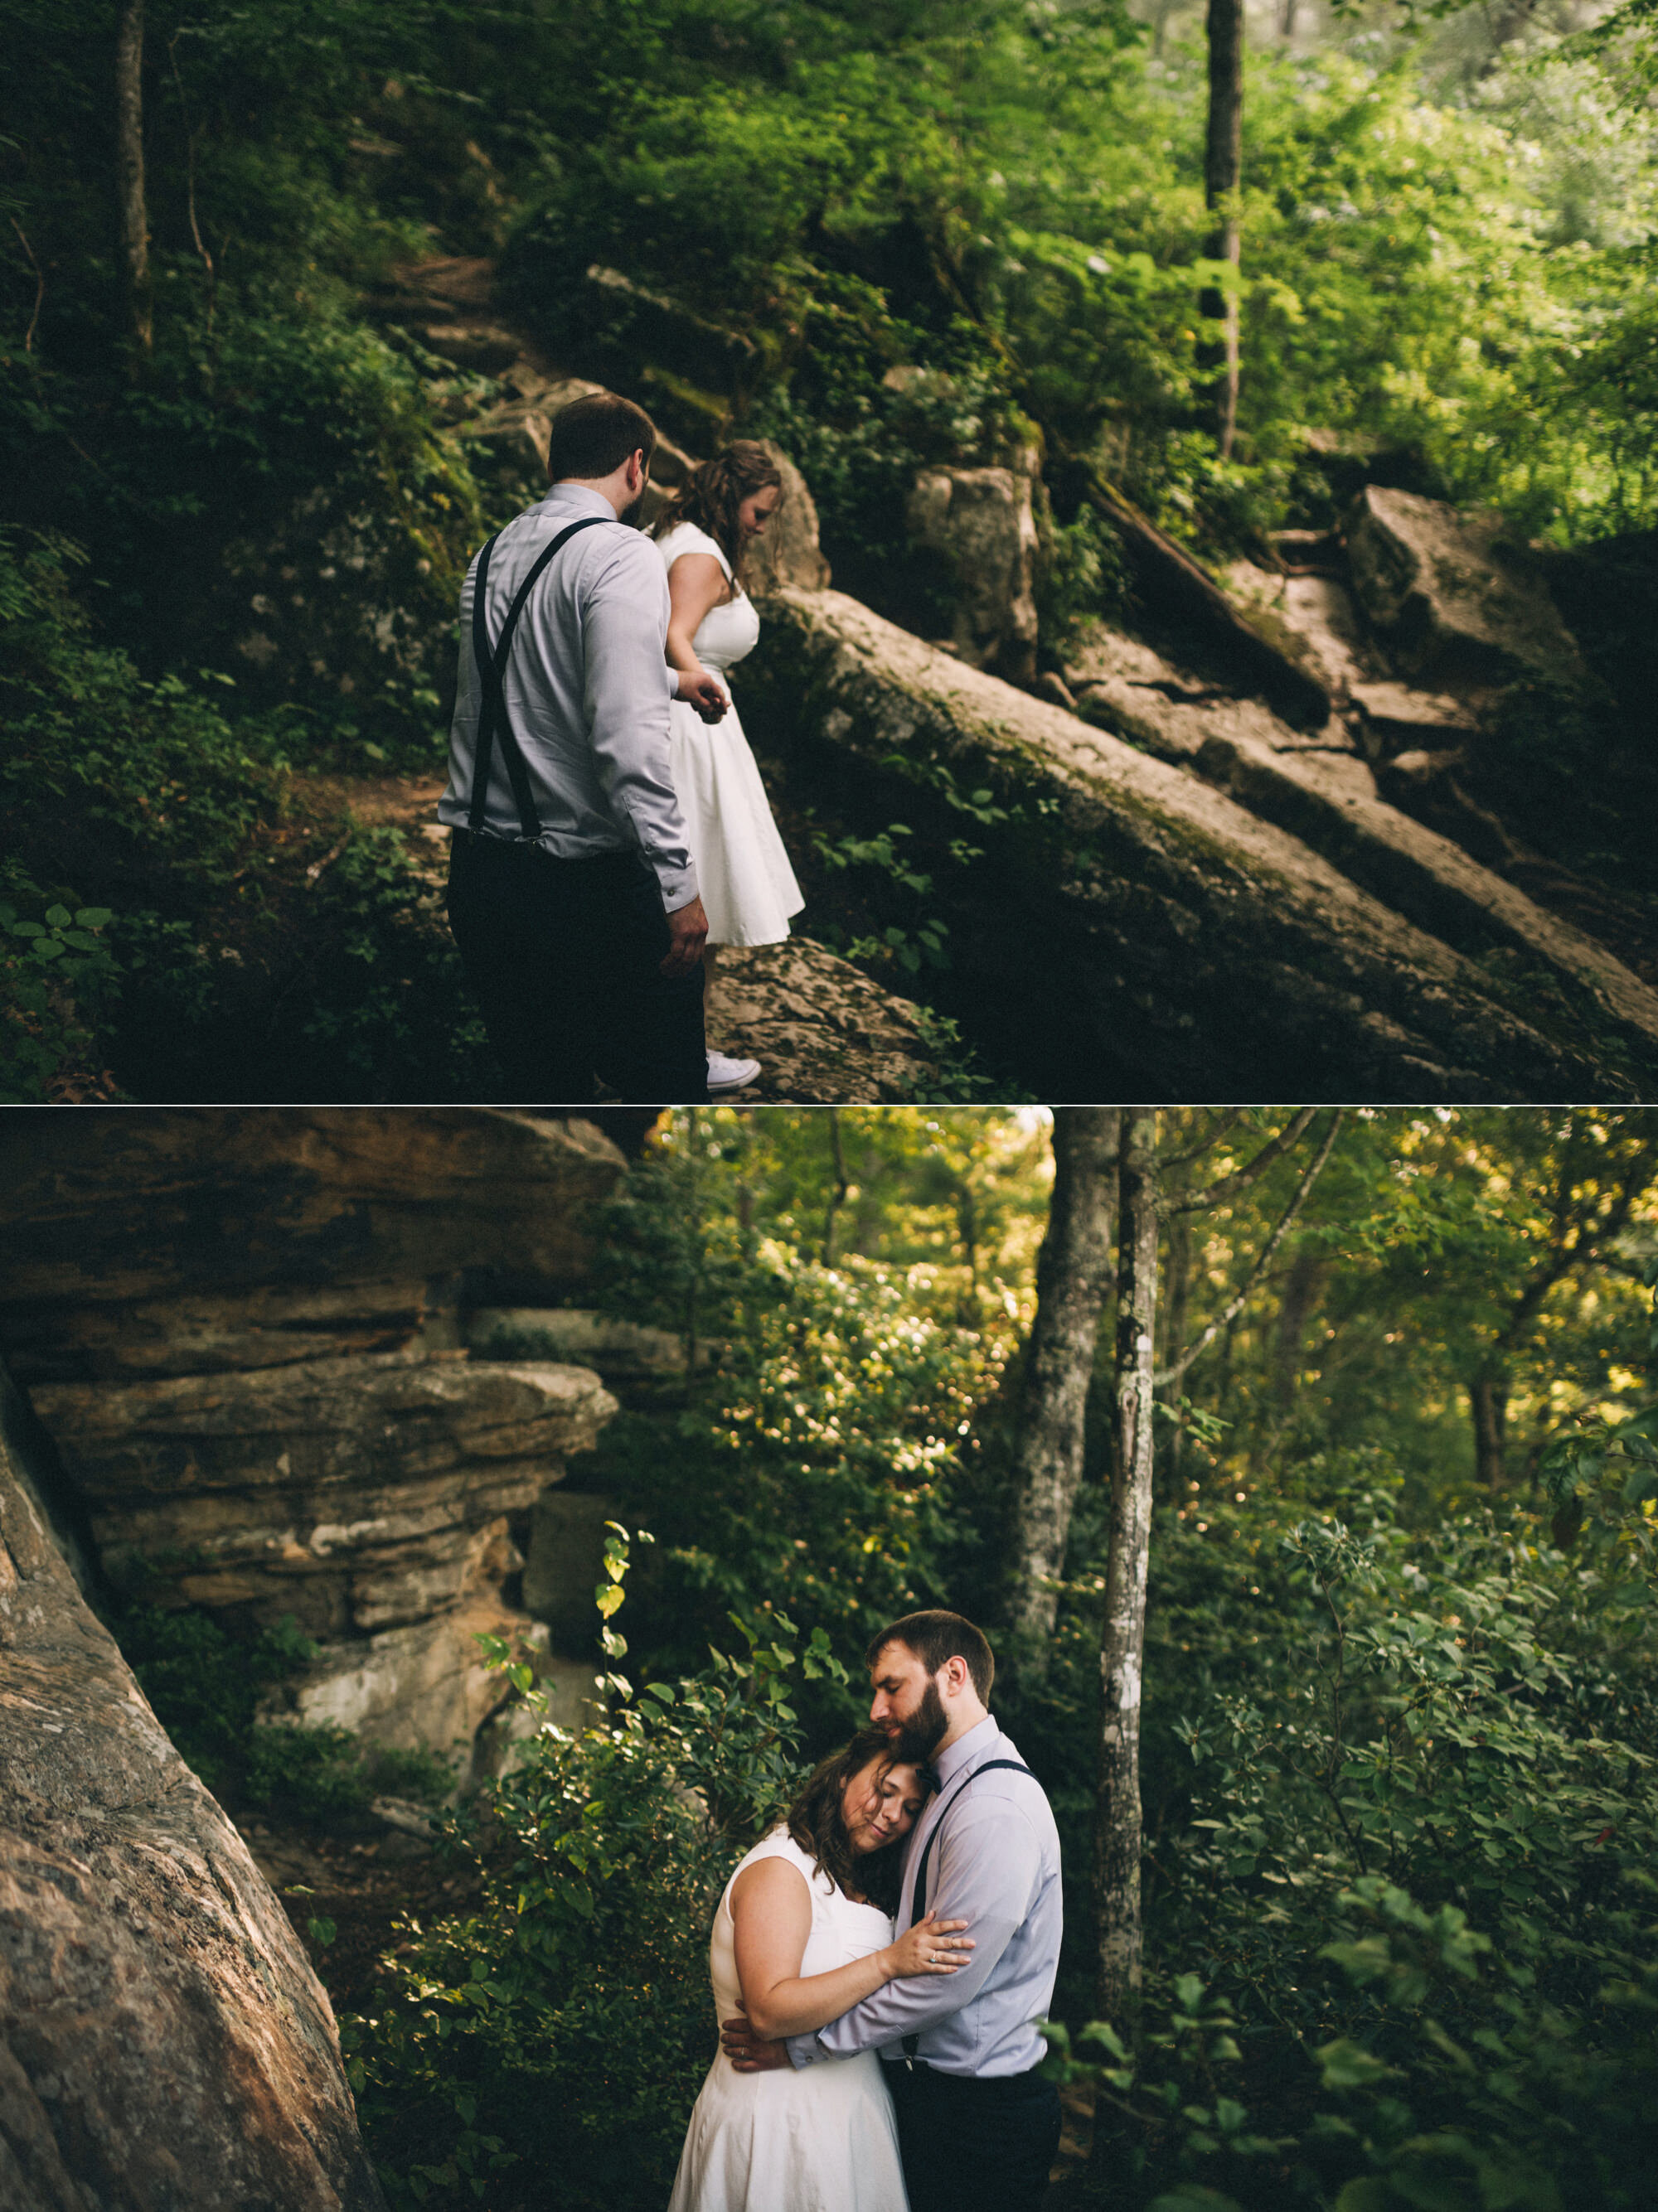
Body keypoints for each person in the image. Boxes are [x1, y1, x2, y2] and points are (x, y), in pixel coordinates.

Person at [439, 390, 729, 1104]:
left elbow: (526, 674)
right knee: (661, 1086)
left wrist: (667, 679)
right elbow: (625, 740)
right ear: (637, 466)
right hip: (583, 890)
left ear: (553, 459)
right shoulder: (621, 552)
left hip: (481, 879)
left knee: (545, 1091)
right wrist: (676, 884)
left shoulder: (491, 551)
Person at [720, 1613, 1063, 2212]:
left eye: (892, 1685)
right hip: (916, 2099)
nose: (877, 1707)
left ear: (952, 1675)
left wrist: (807, 2045)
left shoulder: (993, 1806)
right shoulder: (942, 1788)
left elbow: (943, 1982)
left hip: (979, 2116)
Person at [668, 1728, 972, 2212]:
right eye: (884, 1789)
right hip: (775, 2121)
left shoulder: (859, 1875)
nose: (892, 1814)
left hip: (853, 2121)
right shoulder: (780, 1868)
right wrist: (888, 1962)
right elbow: (768, 2011)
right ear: (842, 1777)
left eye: (912, 1808)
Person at [653, 443, 806, 1093]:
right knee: (699, 892)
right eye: (760, 511)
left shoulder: (675, 537)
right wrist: (694, 681)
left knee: (691, 890)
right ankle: (683, 1053)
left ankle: (671, 1041)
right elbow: (673, 634)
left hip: (690, 718)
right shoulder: (696, 555)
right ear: (731, 494)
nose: (762, 527)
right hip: (692, 727)